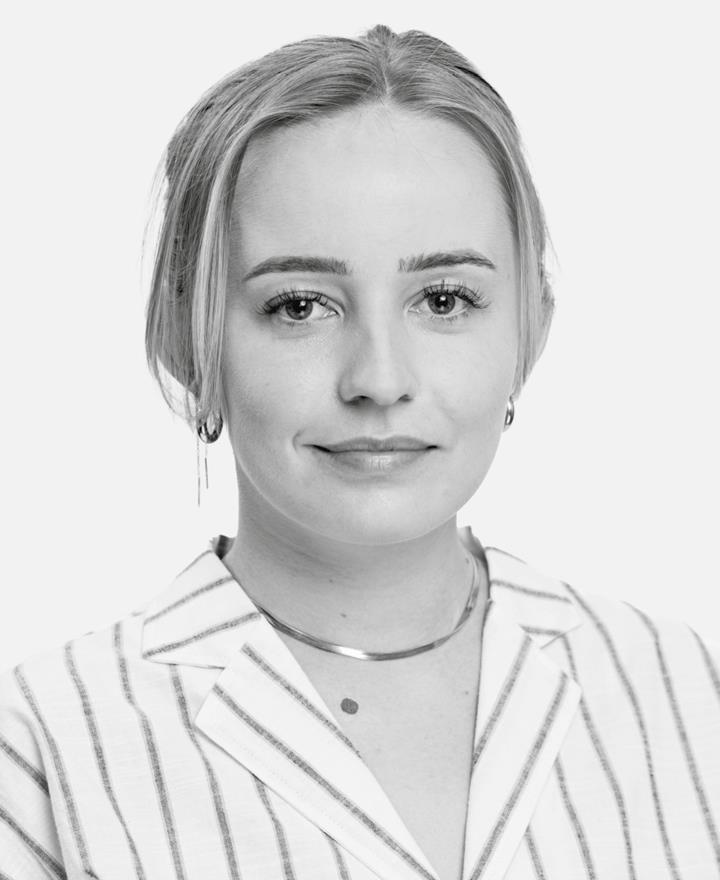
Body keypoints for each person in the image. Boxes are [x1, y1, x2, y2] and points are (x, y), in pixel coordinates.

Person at [1, 22, 718, 880]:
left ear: (532, 328)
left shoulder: (683, 690)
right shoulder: (44, 750)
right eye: (299, 306)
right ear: (183, 339)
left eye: (444, 299)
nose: (379, 379)